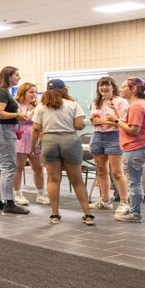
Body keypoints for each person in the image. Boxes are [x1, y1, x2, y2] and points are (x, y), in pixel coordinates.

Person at [31, 79, 94, 225]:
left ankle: (55, 215)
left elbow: (35, 129)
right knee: (77, 180)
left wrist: (32, 147)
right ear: (64, 89)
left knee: (53, 179)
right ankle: (88, 214)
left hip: (49, 141)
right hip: (69, 140)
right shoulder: (72, 104)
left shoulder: (41, 106)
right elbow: (79, 126)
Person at [103, 78, 145, 223]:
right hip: (137, 147)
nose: (121, 89)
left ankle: (135, 214)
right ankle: (133, 210)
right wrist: (116, 112)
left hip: (135, 148)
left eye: (124, 86)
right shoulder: (136, 105)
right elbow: (128, 124)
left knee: (134, 182)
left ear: (133, 89)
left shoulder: (136, 107)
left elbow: (133, 130)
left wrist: (116, 120)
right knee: (134, 181)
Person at [0, 67, 30, 215]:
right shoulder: (2, 92)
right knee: (8, 167)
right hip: (2, 131)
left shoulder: (2, 91)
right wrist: (17, 115)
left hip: (2, 130)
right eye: (16, 75)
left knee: (0, 167)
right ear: (8, 76)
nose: (19, 77)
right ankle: (9, 203)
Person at [88, 77, 130, 215]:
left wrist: (103, 121)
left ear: (113, 87)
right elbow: (93, 119)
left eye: (106, 85)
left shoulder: (121, 101)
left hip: (114, 136)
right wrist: (96, 120)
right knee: (101, 171)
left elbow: (123, 122)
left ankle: (124, 202)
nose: (103, 88)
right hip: (97, 136)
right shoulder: (97, 102)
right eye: (101, 85)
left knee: (117, 172)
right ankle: (105, 200)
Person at [12, 83, 48, 205]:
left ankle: (41, 195)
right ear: (23, 92)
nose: (34, 95)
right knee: (19, 167)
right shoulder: (15, 104)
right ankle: (17, 194)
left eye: (35, 92)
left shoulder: (38, 105)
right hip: (20, 138)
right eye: (31, 92)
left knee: (38, 168)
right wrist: (34, 111)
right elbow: (22, 119)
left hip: (35, 138)